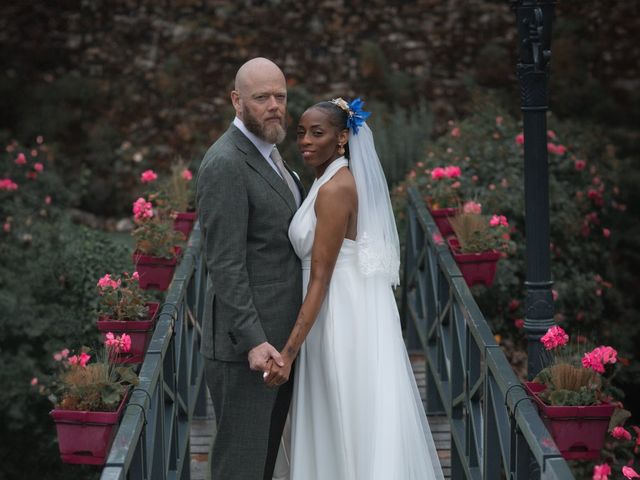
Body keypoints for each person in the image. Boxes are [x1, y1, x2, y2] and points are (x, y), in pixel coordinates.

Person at [265, 98, 445, 479]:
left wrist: (289, 352)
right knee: (338, 415)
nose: (306, 142)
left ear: (343, 137)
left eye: (318, 133)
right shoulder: (324, 180)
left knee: (343, 413)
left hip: (336, 318)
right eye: (301, 133)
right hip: (337, 306)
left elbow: (320, 278)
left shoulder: (335, 190)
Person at [195, 57, 304, 480]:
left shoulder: (272, 155)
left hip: (280, 342)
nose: (274, 105)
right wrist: (254, 342)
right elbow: (224, 263)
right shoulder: (225, 163)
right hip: (248, 351)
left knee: (261, 466)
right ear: (237, 101)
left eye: (280, 96)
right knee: (239, 468)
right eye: (262, 98)